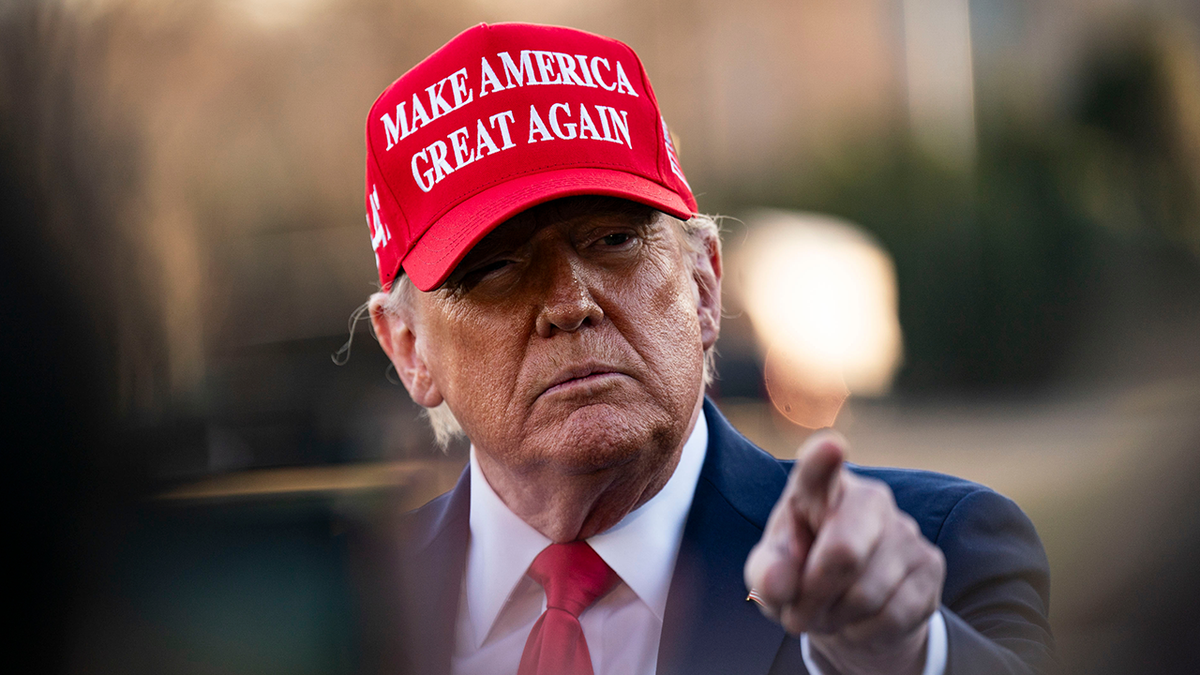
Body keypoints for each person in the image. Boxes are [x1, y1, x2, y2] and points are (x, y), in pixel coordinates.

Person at [355, 22, 1055, 675]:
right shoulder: (341, 612)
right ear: (409, 348)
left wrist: (905, 651)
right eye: (494, 269)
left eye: (614, 239)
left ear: (705, 283)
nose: (571, 304)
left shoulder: (929, 555)